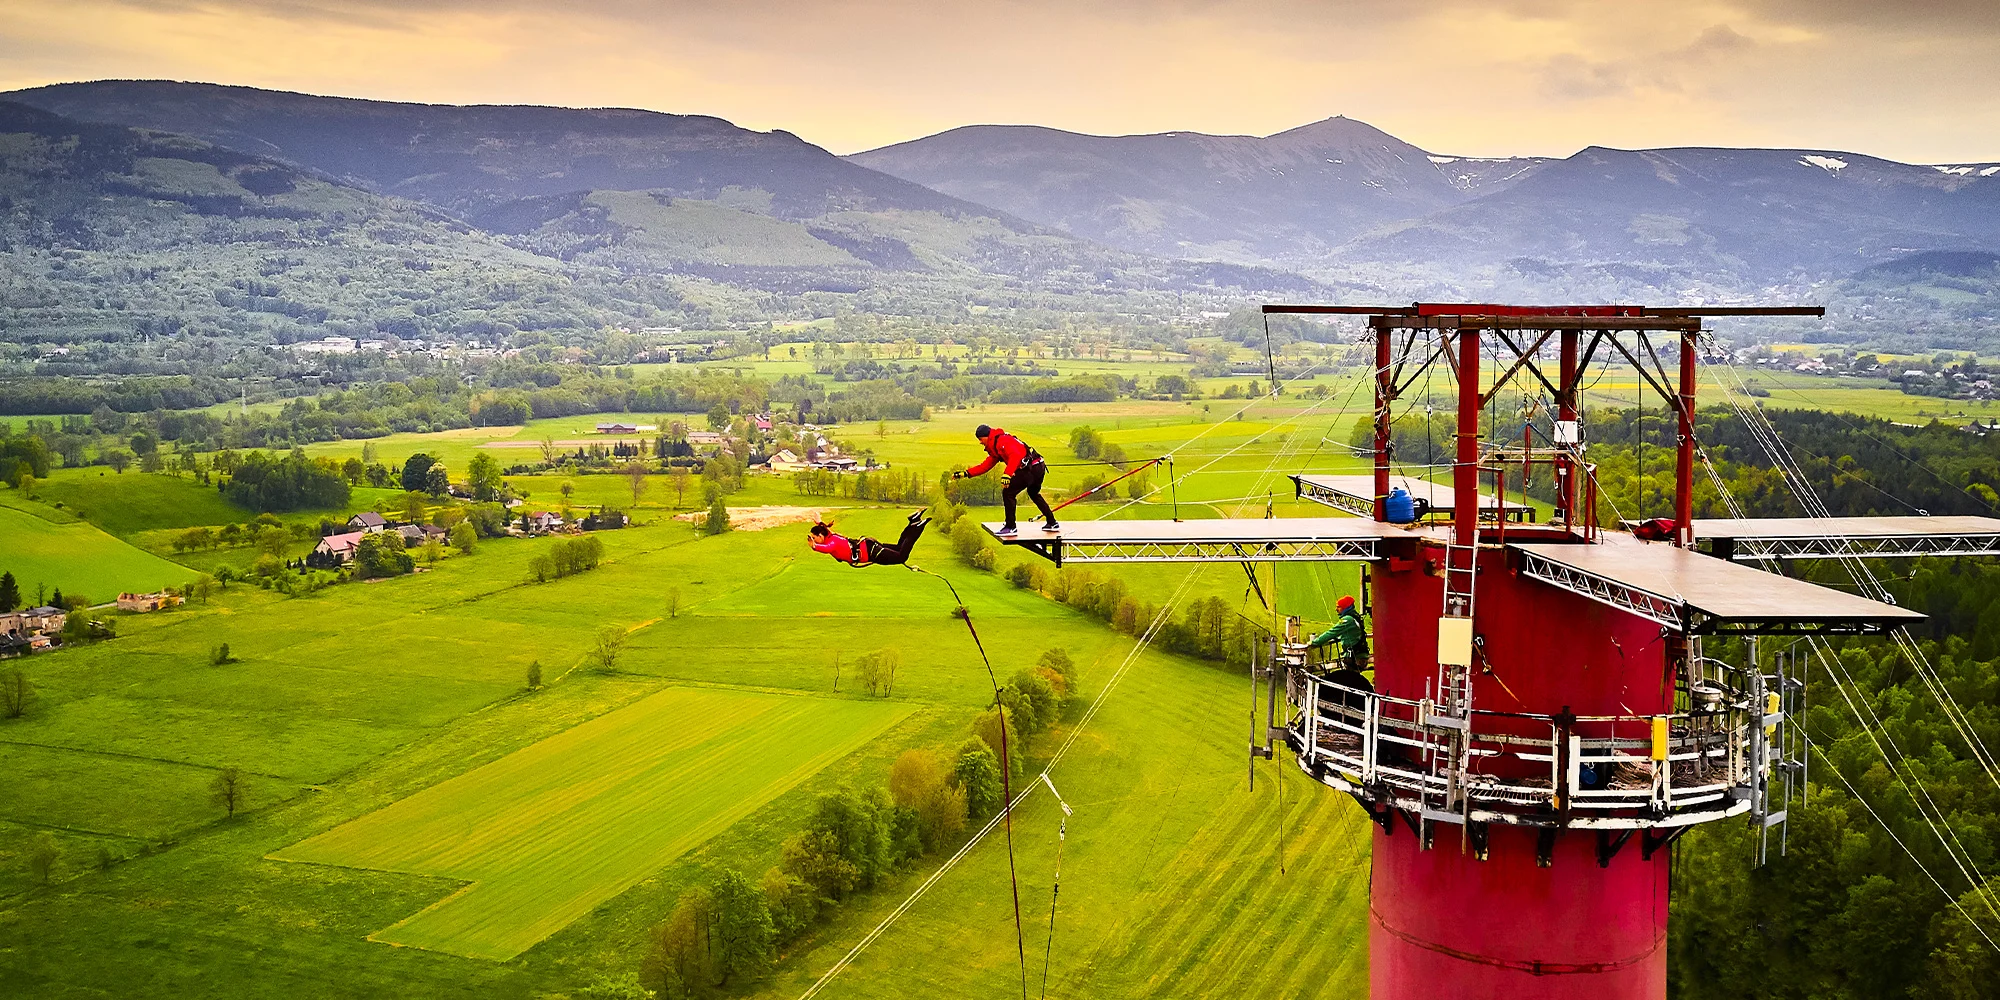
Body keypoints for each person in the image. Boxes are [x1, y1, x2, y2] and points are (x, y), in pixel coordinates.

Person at [953, 424, 1057, 536]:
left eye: (980, 439)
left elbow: (1015, 456)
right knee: (1033, 493)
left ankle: (1010, 527)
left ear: (987, 436)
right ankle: (1052, 523)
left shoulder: (1002, 442)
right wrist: (966, 473)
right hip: (1038, 466)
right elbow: (985, 466)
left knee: (1008, 493)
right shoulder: (996, 447)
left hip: (1030, 468)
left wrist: (1007, 475)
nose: (980, 442)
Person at [809, 510, 930, 567]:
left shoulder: (832, 543)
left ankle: (917, 527)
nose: (814, 540)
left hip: (871, 552)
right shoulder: (832, 536)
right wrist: (820, 522)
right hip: (869, 546)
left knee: (902, 556)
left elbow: (826, 548)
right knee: (899, 548)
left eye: (815, 538)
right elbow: (827, 532)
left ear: (820, 536)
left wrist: (815, 546)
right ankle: (913, 521)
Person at [1309, 595, 1370, 671]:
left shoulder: (1347, 620)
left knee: (1350, 679)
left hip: (1355, 657)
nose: (1336, 609)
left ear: (1346, 607)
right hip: (1360, 655)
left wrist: (1314, 642)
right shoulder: (1354, 617)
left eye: (1339, 607)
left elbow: (1331, 633)